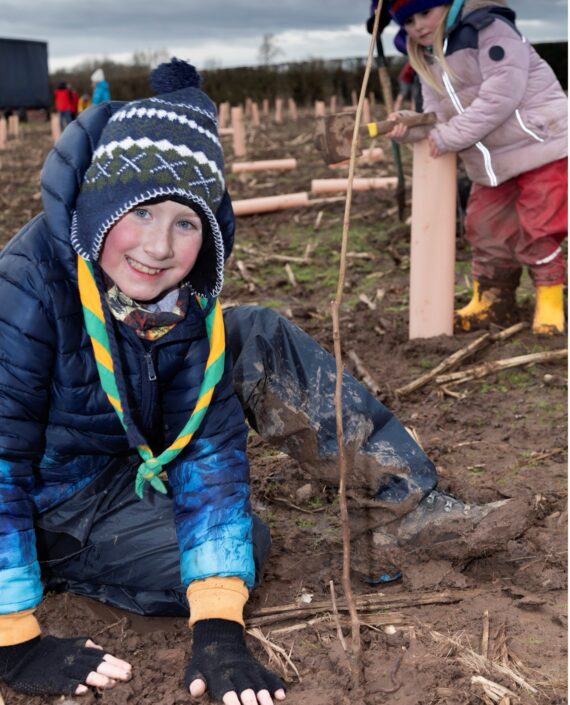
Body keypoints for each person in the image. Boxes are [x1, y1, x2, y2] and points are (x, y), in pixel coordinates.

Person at [0, 56, 527, 702]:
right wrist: (13, 638)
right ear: (100, 202)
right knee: (234, 548)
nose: (158, 248)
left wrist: (218, 632)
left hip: (119, 459)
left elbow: (211, 452)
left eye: (185, 222)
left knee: (251, 346)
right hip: (46, 499)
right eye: (139, 212)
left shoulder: (182, 299)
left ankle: (408, 510)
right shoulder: (27, 288)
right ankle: (38, 565)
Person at [385, 0, 568, 335]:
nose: (419, 26)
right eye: (408, 21)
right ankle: (494, 302)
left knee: (539, 228)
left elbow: (502, 95)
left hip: (540, 146)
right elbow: (437, 115)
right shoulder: (427, 56)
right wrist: (410, 125)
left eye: (425, 13)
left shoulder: (488, 29)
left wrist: (450, 135)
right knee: (484, 229)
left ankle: (550, 298)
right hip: (490, 163)